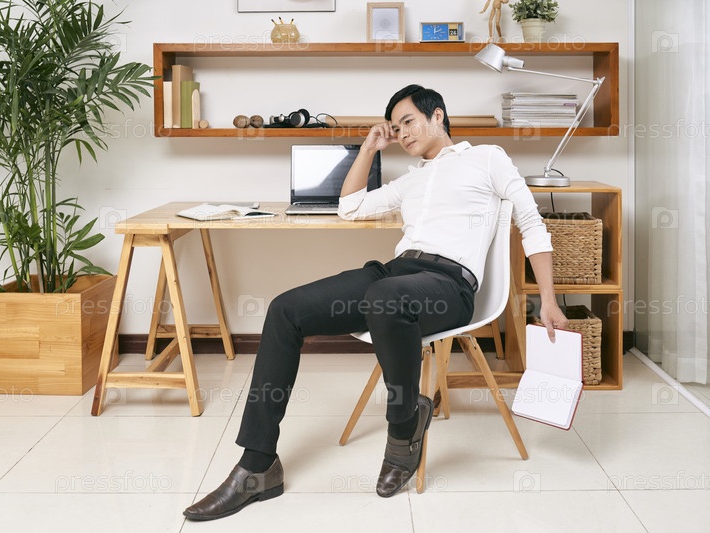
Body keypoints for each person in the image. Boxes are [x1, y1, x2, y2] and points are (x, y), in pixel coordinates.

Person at [183, 84, 569, 521]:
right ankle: (257, 466)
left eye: (409, 122)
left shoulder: (487, 158)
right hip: (395, 275)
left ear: (437, 116)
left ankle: (403, 428)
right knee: (284, 310)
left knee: (385, 298)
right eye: (396, 128)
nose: (402, 134)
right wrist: (369, 147)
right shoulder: (411, 180)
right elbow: (349, 207)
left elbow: (531, 221)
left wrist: (548, 300)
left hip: (450, 286)